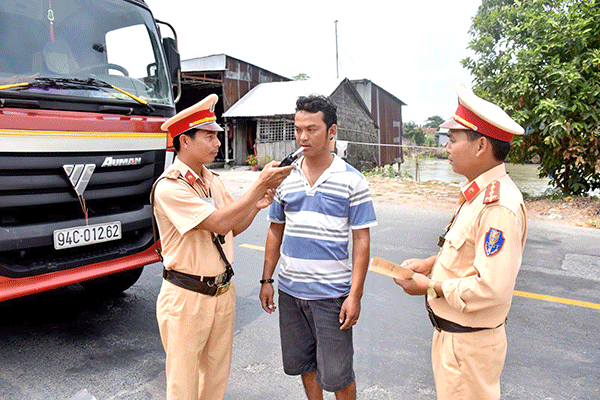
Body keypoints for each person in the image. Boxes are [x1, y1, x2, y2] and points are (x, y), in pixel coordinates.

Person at [152, 93, 293, 400]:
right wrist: (256, 185)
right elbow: (216, 222)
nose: (218, 142)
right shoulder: (171, 186)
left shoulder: (212, 180)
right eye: (210, 136)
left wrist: (256, 205)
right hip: (186, 298)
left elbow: (231, 227)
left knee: (215, 380)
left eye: (218, 135)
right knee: (184, 385)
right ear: (184, 141)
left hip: (220, 293)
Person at [394, 83, 528, 400]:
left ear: (481, 146)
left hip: (468, 347)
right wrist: (431, 264)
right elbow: (465, 253)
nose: (447, 148)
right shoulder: (477, 194)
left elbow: (490, 290)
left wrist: (429, 286)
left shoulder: (497, 205)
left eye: (453, 140)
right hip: (456, 341)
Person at [259, 94, 377, 400]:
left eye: (311, 129)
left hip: (332, 296)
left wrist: (355, 295)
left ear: (332, 131)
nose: (302, 137)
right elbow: (275, 229)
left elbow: (361, 240)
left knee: (338, 376)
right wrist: (267, 280)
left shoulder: (353, 181)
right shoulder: (285, 178)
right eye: (298, 129)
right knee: (304, 365)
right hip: (291, 292)